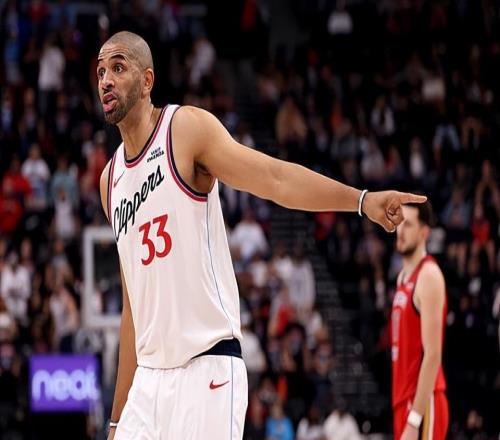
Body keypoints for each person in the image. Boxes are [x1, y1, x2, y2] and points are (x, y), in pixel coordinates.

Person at [97, 31, 427, 440]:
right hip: (147, 384)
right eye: (101, 72)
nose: (106, 80)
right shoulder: (110, 180)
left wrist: (361, 200)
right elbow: (133, 306)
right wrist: (117, 418)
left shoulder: (184, 129)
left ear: (147, 81)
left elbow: (275, 178)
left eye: (118, 68)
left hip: (205, 368)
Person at [391, 202, 448, 440]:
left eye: (408, 224)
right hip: (403, 399)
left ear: (424, 232)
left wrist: (415, 419)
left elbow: (433, 354)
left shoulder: (429, 276)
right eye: (399, 223)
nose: (400, 230)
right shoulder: (403, 277)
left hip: (423, 403)